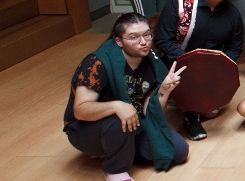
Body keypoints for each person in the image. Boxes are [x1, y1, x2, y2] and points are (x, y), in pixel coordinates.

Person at [64, 13, 189, 181]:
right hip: (86, 130)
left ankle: (119, 150)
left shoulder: (151, 61)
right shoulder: (97, 63)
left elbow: (148, 111)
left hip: (134, 124)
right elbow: (80, 110)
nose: (144, 42)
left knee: (177, 151)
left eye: (146, 34)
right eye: (134, 37)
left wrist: (164, 91)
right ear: (118, 41)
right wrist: (117, 106)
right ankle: (115, 171)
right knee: (119, 118)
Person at [153, 0, 244, 141]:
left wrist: (219, 66)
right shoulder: (180, 4)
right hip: (173, 63)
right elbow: (162, 40)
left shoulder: (233, 15)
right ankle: (190, 116)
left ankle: (186, 105)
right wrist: (192, 62)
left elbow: (235, 49)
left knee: (211, 112)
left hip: (210, 70)